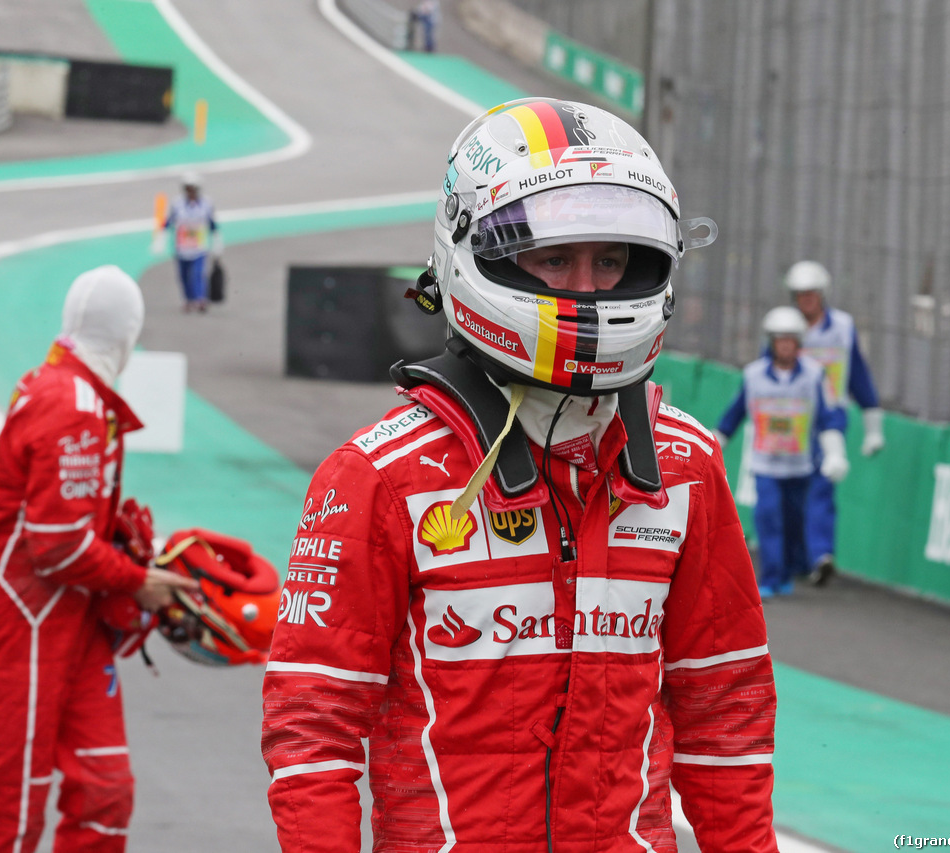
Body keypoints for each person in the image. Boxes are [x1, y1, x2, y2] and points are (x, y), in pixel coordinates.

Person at [262, 98, 778, 851]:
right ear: (477, 256)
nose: (589, 288)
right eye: (555, 259)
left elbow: (725, 705)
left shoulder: (686, 463)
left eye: (610, 261)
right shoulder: (377, 476)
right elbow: (313, 727)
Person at [0, 265, 197, 852]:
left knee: (105, 788)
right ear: (129, 333)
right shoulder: (72, 404)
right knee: (14, 802)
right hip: (25, 620)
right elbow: (59, 545)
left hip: (72, 618)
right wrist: (139, 579)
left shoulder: (75, 395)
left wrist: (129, 560)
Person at [715, 306, 850, 599]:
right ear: (771, 342)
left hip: (799, 466)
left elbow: (827, 417)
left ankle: (789, 570)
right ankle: (771, 576)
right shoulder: (753, 376)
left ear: (799, 343)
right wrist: (715, 444)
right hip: (765, 465)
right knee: (768, 517)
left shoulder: (815, 376)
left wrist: (834, 453)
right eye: (780, 340)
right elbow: (733, 415)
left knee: (793, 521)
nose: (786, 346)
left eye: (791, 340)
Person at [785, 260, 883, 585]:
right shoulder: (784, 328)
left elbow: (859, 375)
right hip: (793, 422)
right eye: (800, 295)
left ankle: (822, 555)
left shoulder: (842, 327)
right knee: (794, 493)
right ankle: (798, 559)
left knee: (823, 486)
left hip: (832, 418)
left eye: (811, 294)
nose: (806, 301)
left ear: (822, 294)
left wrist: (873, 427)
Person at [154, 172, 221, 313]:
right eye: (188, 189)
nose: (190, 192)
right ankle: (188, 299)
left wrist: (217, 242)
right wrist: (160, 239)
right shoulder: (177, 204)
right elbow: (168, 221)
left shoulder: (206, 204)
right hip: (182, 247)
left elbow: (212, 223)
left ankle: (200, 299)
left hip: (199, 246)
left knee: (197, 273)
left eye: (193, 189)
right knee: (183, 275)